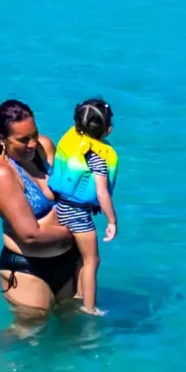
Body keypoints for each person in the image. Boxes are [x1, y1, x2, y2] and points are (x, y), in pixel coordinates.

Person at [0, 99, 87, 315]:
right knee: (31, 330)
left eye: (34, 134)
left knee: (73, 324)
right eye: (23, 140)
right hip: (29, 268)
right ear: (1, 138)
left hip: (68, 259)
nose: (32, 144)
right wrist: (79, 230)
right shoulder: (2, 173)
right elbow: (30, 234)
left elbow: (73, 191)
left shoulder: (44, 148)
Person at [47, 98, 117, 315]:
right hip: (77, 214)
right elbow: (102, 193)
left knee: (81, 257)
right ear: (108, 129)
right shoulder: (97, 158)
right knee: (92, 260)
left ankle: (79, 294)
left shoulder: (71, 138)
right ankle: (89, 307)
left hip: (59, 205)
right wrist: (112, 221)